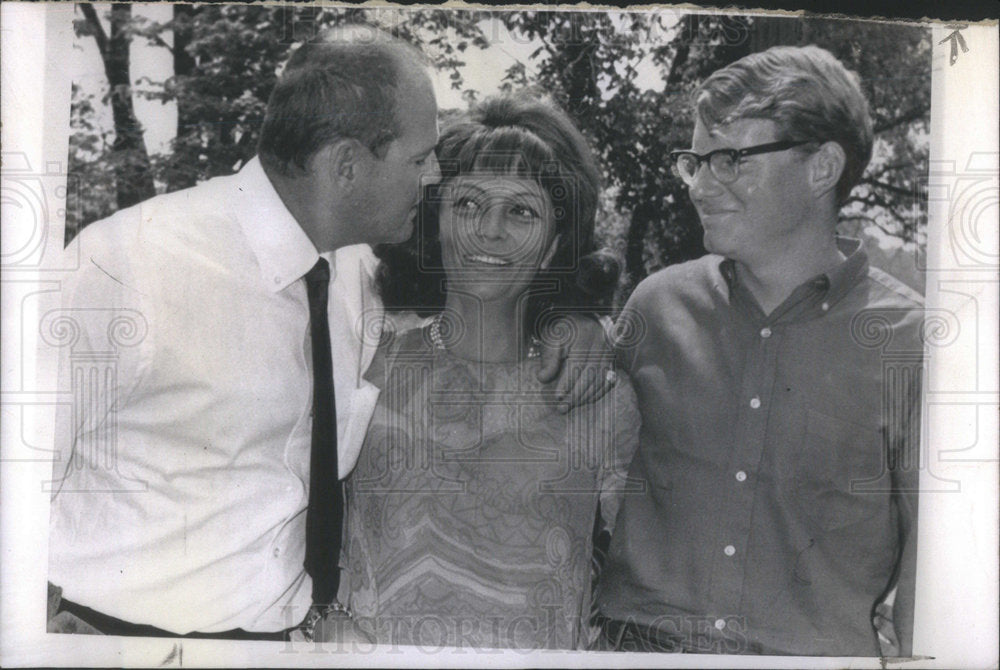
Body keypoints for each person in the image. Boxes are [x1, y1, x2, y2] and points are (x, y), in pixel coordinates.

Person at [46, 26, 611, 641]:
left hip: (284, 646)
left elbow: (487, 293)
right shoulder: (127, 261)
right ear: (346, 165)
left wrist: (577, 322)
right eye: (421, 160)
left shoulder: (358, 279)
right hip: (117, 640)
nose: (432, 183)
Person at [594, 45, 923, 656]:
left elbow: (935, 562)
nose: (700, 186)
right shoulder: (655, 307)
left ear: (822, 167)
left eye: (730, 160)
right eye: (695, 161)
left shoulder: (912, 342)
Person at [341, 94, 641, 650]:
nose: (490, 230)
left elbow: (637, 580)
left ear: (554, 244)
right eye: (468, 204)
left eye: (522, 211)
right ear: (433, 220)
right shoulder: (366, 363)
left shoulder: (600, 394)